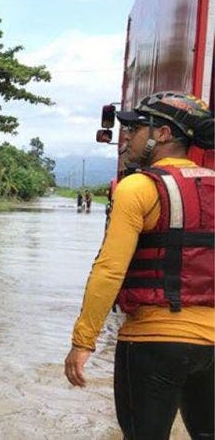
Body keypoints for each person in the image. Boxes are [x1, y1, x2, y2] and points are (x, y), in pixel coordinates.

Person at [63, 91, 214, 439]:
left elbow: (109, 270)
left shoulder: (138, 188)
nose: (126, 137)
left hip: (152, 342)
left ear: (163, 135)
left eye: (136, 128)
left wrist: (83, 341)